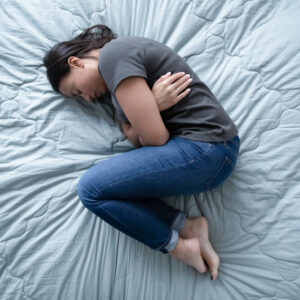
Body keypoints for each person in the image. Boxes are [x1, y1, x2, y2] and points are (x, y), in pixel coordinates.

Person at [43, 24, 240, 280]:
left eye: (77, 91)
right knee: (97, 190)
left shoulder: (114, 55)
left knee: (90, 190)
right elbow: (140, 141)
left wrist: (149, 110)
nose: (87, 99)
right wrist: (153, 105)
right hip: (205, 152)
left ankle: (179, 247)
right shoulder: (116, 91)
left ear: (76, 62)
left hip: (207, 148)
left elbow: (155, 139)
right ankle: (187, 227)